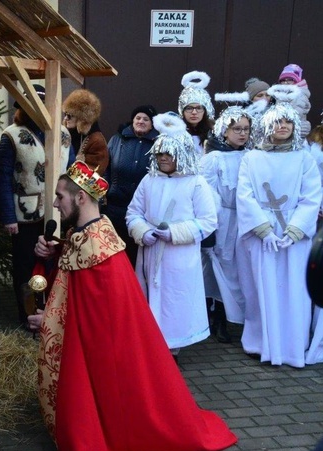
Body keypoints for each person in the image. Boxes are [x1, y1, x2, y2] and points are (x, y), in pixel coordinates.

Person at [29, 160, 236, 451]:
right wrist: (55, 251)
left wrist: (51, 318)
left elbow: (92, 321)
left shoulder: (97, 248)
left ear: (81, 198)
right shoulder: (91, 232)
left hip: (103, 360)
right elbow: (74, 265)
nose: (55, 203)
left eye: (59, 196)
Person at [236, 84, 322, 367]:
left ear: (294, 126)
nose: (282, 126)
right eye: (277, 122)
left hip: (294, 236)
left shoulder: (304, 159)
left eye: (287, 121)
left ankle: (291, 347)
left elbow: (312, 196)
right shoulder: (252, 157)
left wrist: (295, 230)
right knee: (262, 288)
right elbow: (245, 194)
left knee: (294, 290)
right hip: (263, 235)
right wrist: (264, 230)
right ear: (267, 126)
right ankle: (262, 343)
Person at [126, 112, 218, 357]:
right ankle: (150, 344)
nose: (163, 157)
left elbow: (208, 221)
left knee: (174, 300)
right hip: (151, 251)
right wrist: (142, 231)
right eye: (159, 153)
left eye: (169, 153)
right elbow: (133, 212)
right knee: (149, 297)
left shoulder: (196, 183)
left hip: (179, 256)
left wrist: (174, 233)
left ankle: (172, 347)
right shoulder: (149, 180)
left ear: (182, 154)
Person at [0, 84, 71, 327]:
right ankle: (27, 315)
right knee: (26, 265)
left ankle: (50, 314)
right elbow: (4, 179)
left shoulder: (63, 134)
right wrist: (8, 216)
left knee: (53, 262)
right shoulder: (12, 136)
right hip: (23, 214)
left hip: (56, 210)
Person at [200, 102, 254, 344]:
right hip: (223, 219)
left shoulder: (252, 157)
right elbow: (206, 192)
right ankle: (217, 317)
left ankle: (234, 316)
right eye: (237, 129)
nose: (242, 133)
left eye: (246, 129)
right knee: (219, 267)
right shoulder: (214, 158)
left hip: (244, 219)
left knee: (238, 270)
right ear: (224, 131)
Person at [104, 104, 158, 266]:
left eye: (146, 119)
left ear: (152, 124)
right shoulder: (117, 139)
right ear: (132, 120)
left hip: (143, 211)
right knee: (114, 251)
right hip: (115, 207)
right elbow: (106, 167)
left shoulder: (158, 143)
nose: (141, 121)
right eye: (138, 118)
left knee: (135, 256)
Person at [62, 88, 109, 173]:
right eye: (65, 114)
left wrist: (78, 165)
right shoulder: (66, 134)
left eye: (70, 115)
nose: (66, 118)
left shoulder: (96, 140)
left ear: (82, 118)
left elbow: (95, 172)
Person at [178, 70, 215, 157]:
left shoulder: (213, 134)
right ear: (182, 111)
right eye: (189, 108)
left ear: (205, 111)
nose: (194, 112)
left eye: (199, 108)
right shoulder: (176, 134)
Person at [278, 63, 312, 138]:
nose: (286, 82)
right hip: (288, 129)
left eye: (290, 80)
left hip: (296, 131)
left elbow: (295, 115)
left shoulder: (299, 95)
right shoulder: (283, 93)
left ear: (297, 81)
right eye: (283, 80)